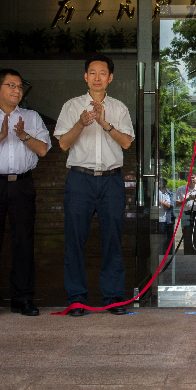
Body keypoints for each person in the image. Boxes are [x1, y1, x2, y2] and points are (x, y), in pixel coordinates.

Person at [0, 69, 51, 319]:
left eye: (19, 86)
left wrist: (23, 135)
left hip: (22, 185)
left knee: (23, 242)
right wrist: (1, 136)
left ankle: (23, 298)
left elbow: (44, 150)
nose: (17, 90)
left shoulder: (31, 116)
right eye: (11, 85)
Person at [55, 54, 134, 316]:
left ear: (110, 78)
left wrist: (103, 123)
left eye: (103, 73)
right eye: (92, 72)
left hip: (111, 180)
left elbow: (126, 142)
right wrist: (82, 122)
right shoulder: (71, 106)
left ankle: (113, 297)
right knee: (74, 239)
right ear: (85, 76)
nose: (97, 77)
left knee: (112, 238)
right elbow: (64, 144)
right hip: (80, 179)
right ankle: (77, 298)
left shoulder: (119, 108)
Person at [174, 173, 196, 253]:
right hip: (186, 214)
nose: (192, 180)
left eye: (193, 178)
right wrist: (187, 199)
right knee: (186, 233)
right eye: (190, 178)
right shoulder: (181, 189)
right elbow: (177, 204)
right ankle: (188, 252)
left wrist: (195, 200)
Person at [157, 178, 174, 253]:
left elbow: (169, 206)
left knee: (165, 238)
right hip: (157, 218)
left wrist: (159, 201)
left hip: (164, 218)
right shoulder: (156, 192)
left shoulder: (167, 193)